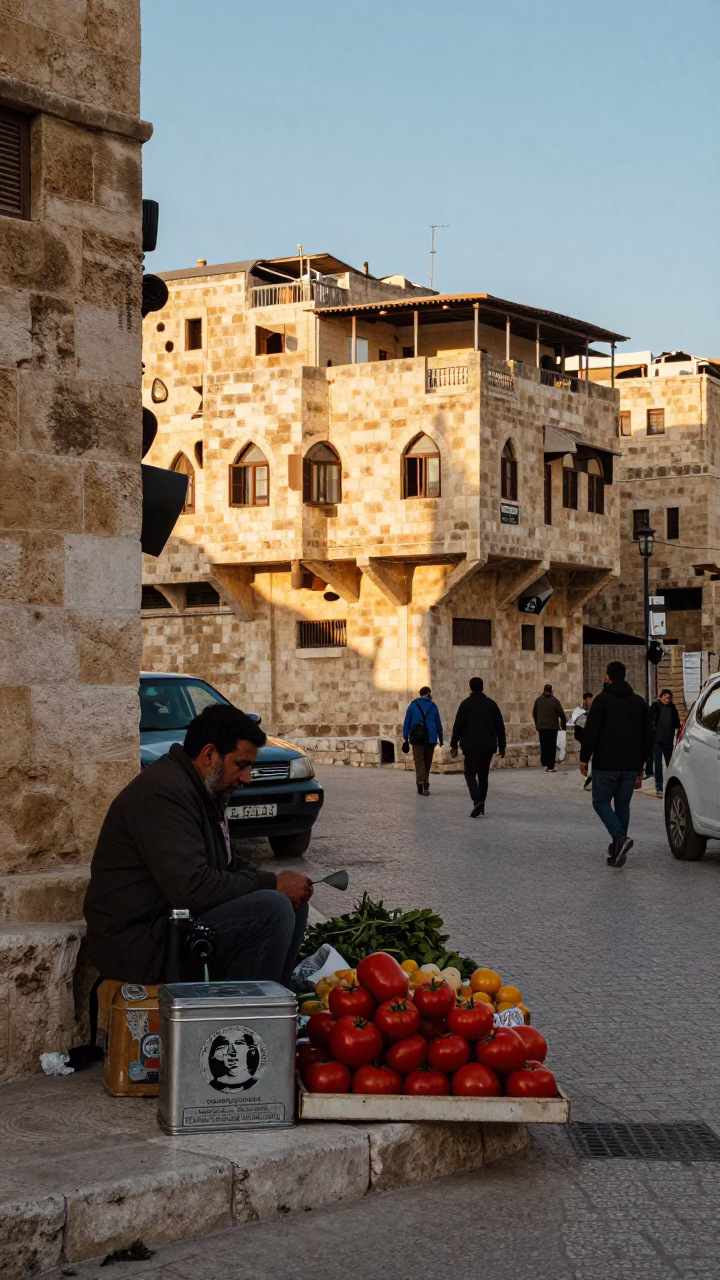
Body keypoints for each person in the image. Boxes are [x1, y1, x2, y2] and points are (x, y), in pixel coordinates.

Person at [83, 704, 313, 985]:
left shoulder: (202, 790)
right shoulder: (164, 793)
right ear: (209, 755)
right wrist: (270, 885)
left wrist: (277, 882)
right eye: (241, 765)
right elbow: (191, 887)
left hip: (172, 927)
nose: (246, 778)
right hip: (140, 945)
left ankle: (274, 1000)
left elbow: (225, 864)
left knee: (293, 902)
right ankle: (244, 1019)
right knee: (272, 909)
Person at [579, 660, 653, 868]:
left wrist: (584, 757)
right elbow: (648, 735)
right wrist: (643, 764)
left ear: (608, 677)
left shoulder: (602, 701)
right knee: (622, 806)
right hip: (631, 764)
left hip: (606, 763)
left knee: (600, 802)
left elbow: (591, 731)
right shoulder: (639, 702)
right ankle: (618, 849)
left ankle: (620, 838)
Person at [449, 677, 506, 817]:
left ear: (470, 688)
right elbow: (500, 726)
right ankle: (482, 804)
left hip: (471, 746)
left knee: (469, 774)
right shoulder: (491, 705)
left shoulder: (465, 704)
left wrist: (453, 744)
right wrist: (502, 745)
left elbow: (458, 726)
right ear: (482, 687)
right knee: (483, 776)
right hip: (488, 746)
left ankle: (477, 801)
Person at [402, 686, 443, 795]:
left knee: (419, 761)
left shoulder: (413, 705)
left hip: (417, 738)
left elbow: (407, 722)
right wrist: (441, 738)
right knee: (427, 761)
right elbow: (438, 724)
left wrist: (405, 738)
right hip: (431, 738)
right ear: (429, 693)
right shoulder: (433, 706)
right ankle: (425, 783)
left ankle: (420, 781)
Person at [650, 688, 681, 798]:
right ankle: (659, 787)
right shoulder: (655, 706)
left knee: (670, 765)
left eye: (669, 698)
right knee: (657, 765)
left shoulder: (672, 708)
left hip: (668, 741)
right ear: (661, 696)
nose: (666, 699)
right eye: (665, 697)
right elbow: (649, 720)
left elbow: (677, 724)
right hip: (656, 741)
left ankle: (670, 786)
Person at [532, 683, 567, 772]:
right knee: (551, 746)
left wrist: (537, 724)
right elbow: (562, 715)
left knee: (544, 745)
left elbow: (534, 713)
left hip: (542, 727)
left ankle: (545, 762)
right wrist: (563, 727)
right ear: (551, 691)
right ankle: (550, 766)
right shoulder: (555, 701)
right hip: (552, 727)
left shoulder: (538, 700)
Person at [570, 692, 594, 789]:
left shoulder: (578, 709)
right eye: (590, 699)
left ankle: (590, 777)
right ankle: (590, 777)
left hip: (582, 732)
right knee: (590, 755)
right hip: (583, 732)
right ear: (587, 698)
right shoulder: (583, 708)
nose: (591, 701)